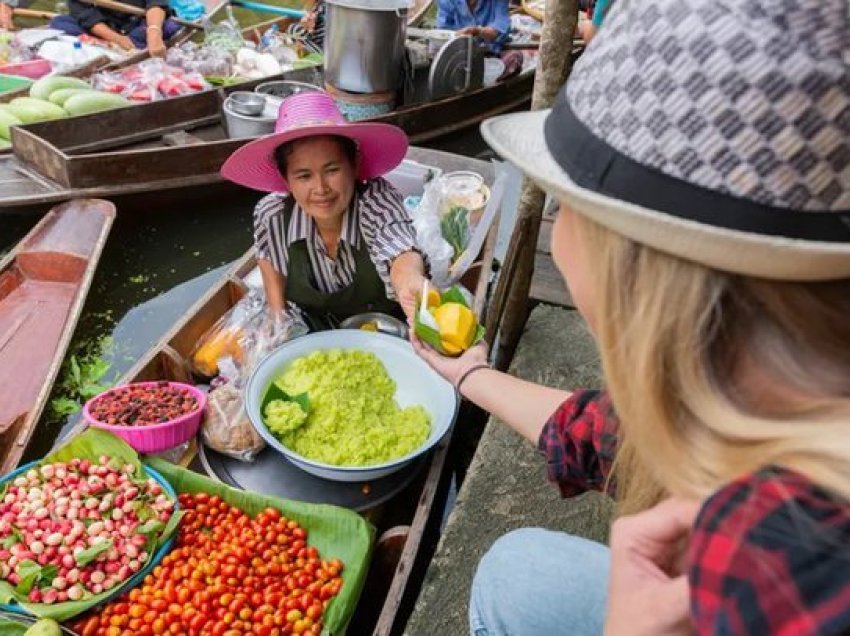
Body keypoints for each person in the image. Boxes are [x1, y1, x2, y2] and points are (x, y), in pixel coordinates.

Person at [413, 0, 850, 633]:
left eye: (564, 205)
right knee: (516, 569)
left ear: (638, 274)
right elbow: (612, 435)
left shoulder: (778, 566)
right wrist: (469, 376)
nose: (558, 236)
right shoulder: (758, 394)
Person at [221, 90, 429, 332]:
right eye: (304, 176)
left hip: (385, 331)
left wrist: (410, 282)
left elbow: (398, 247)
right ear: (286, 180)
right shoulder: (272, 215)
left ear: (355, 165)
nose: (320, 188)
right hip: (315, 331)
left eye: (332, 170)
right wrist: (278, 319)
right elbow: (268, 258)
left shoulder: (377, 201)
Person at [49, 0, 179, 54]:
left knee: (169, 25)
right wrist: (117, 39)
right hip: (105, 29)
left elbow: (156, 4)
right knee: (59, 23)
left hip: (138, 23)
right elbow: (87, 17)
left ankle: (134, 44)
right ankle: (112, 45)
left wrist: (154, 33)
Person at [437, 0, 510, 54]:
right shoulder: (446, 1)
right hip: (457, 55)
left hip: (490, 54)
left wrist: (478, 31)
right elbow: (443, 32)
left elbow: (501, 27)